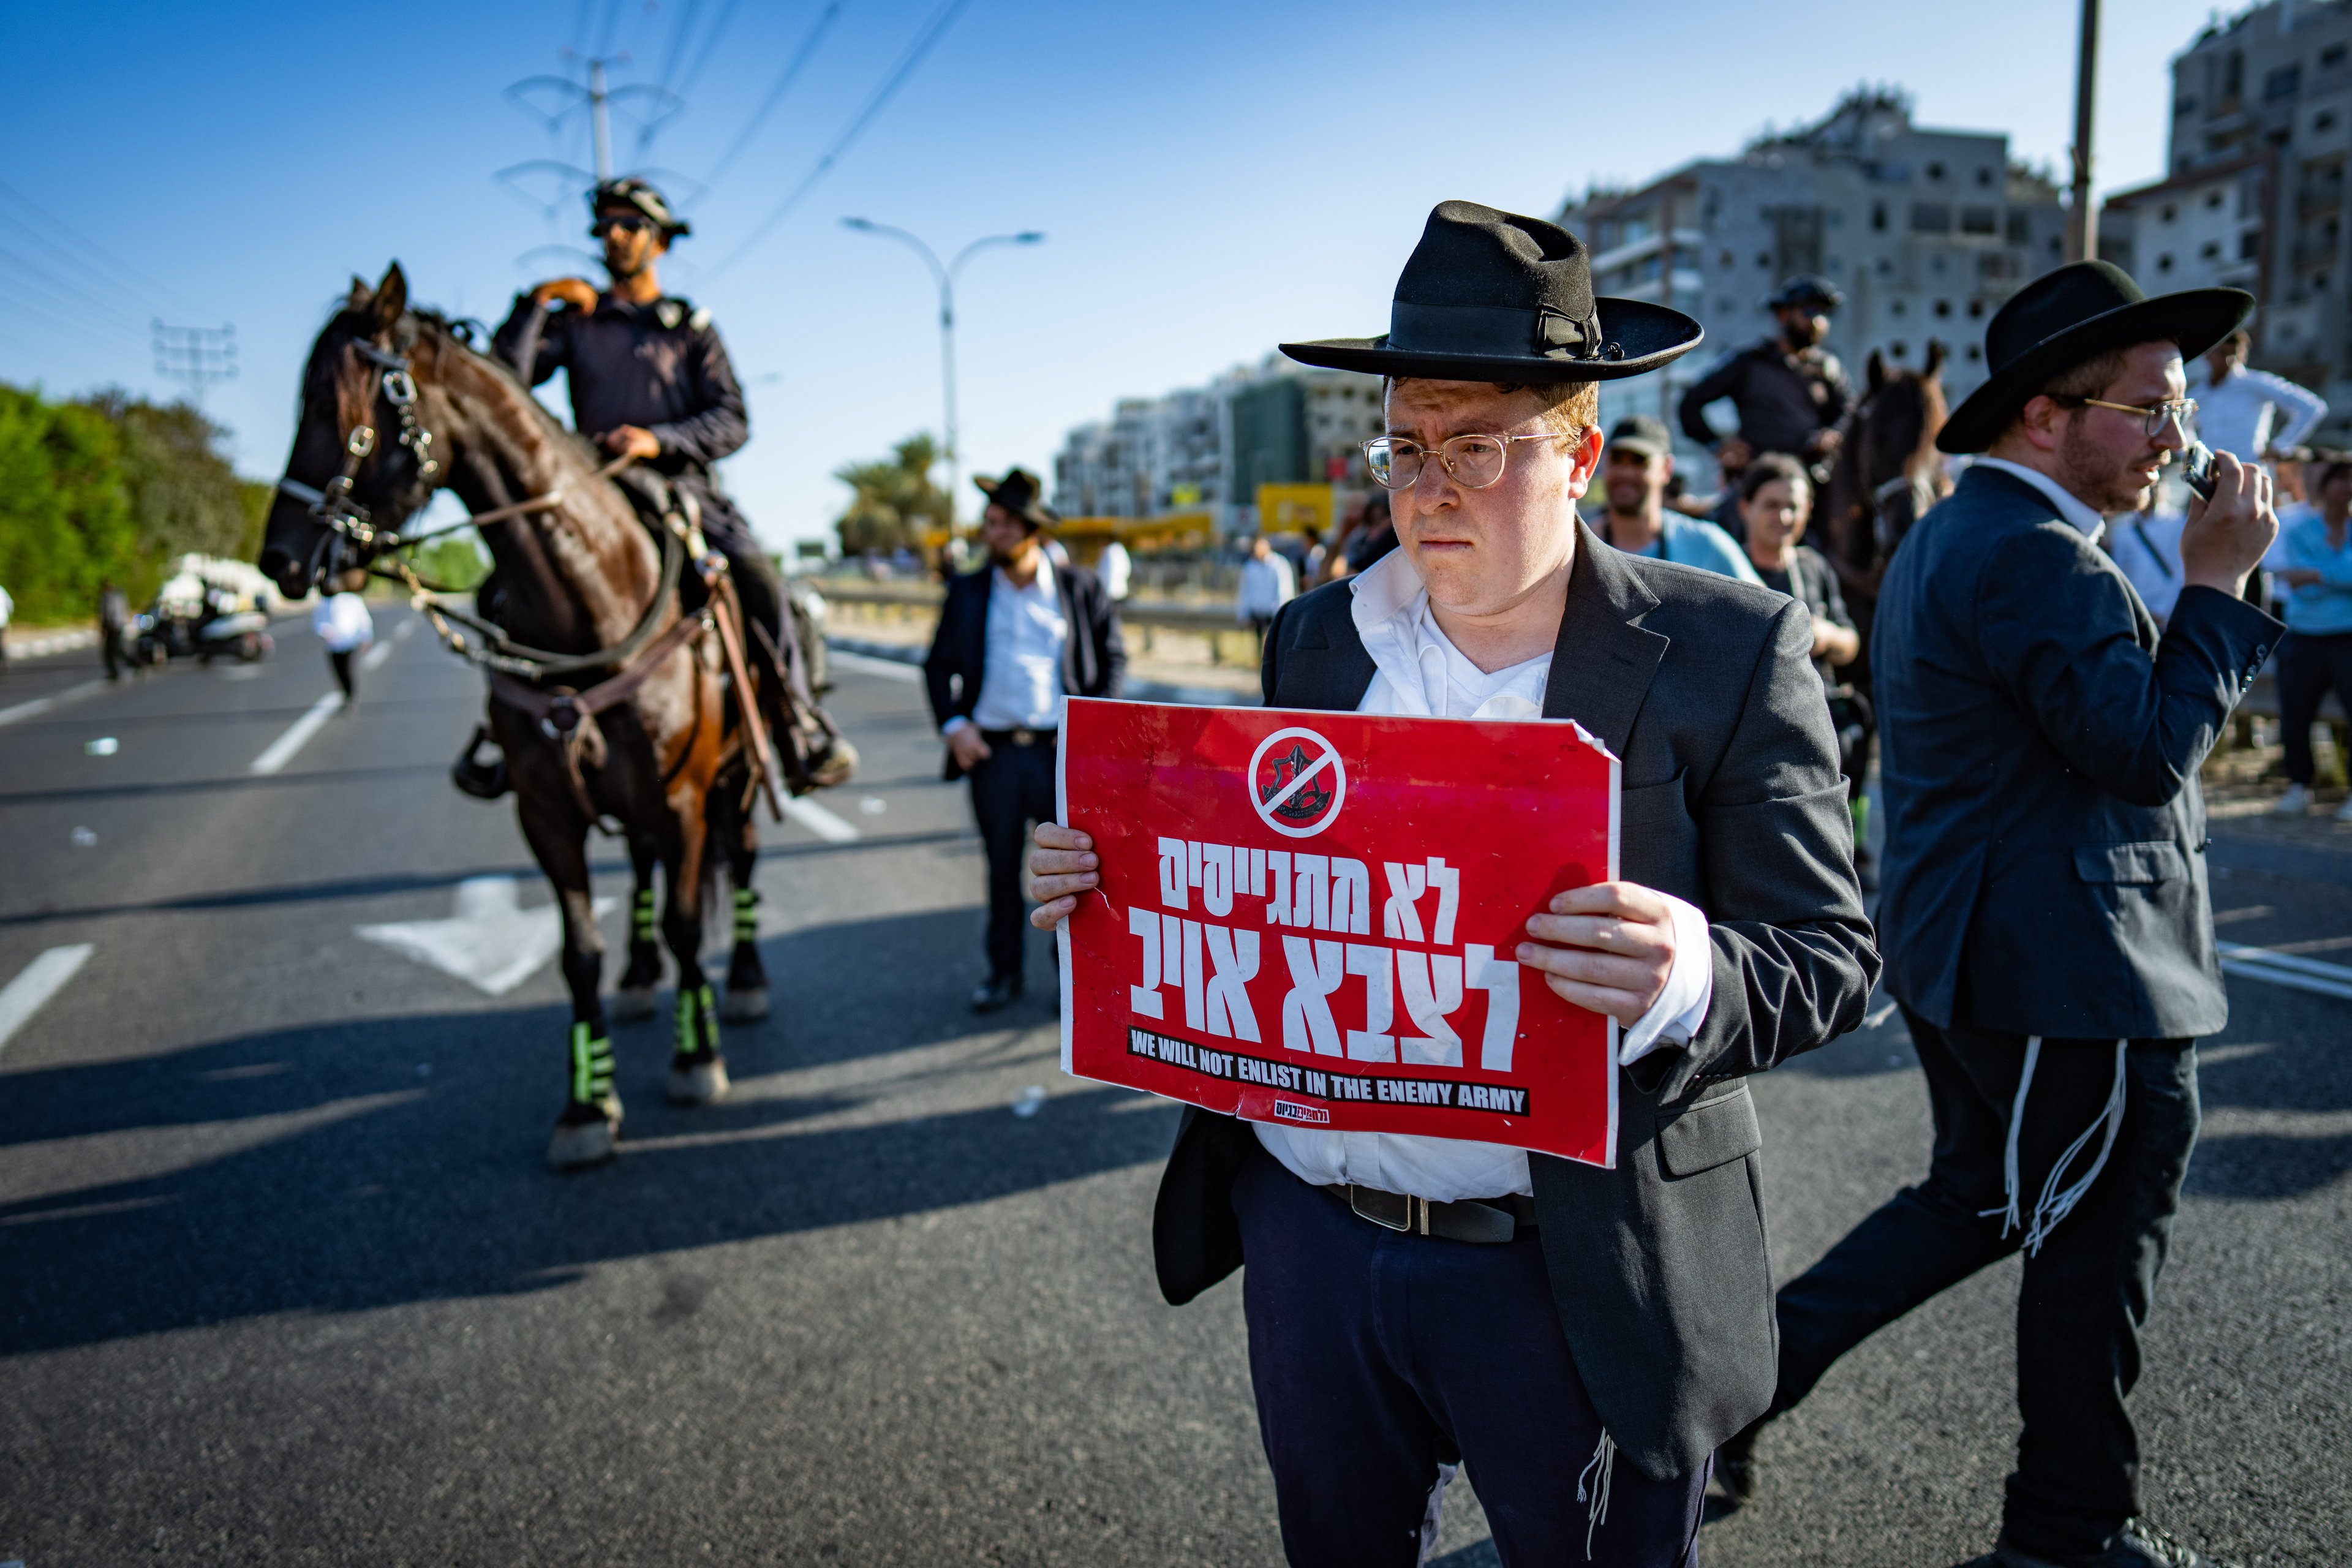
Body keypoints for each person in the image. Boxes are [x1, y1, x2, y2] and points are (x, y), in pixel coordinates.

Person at [1027, 201, 1876, 1567]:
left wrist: (1689, 971)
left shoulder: (1731, 646)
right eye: (1406, 445)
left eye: (1477, 446)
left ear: (1581, 452)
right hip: (1314, 1241)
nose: (1427, 487)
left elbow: (1832, 954)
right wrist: (1106, 879)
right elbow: (1258, 879)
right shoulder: (1314, 638)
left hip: (1576, 1256)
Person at [1727, 260, 2279, 1568]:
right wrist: (2214, 589)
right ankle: (2067, 1531)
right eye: (2150, 410)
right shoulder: (2035, 552)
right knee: (2095, 1242)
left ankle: (1731, 1389)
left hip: (1991, 957)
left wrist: (2215, 582)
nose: (2179, 441)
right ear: (2046, 415)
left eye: (2183, 409)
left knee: (1979, 1201)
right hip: (2069, 980)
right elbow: (2143, 751)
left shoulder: (1965, 532)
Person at [492, 176, 850, 790]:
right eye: (606, 227)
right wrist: (536, 303)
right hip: (594, 489)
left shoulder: (689, 326)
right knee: (505, 586)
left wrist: (658, 440)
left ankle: (800, 721)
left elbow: (733, 420)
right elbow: (507, 385)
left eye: (631, 226)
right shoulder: (576, 323)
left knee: (759, 579)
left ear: (658, 242)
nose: (616, 237)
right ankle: (502, 736)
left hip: (683, 492)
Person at [923, 469, 1123, 1014]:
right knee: (1000, 866)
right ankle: (1002, 973)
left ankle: (1075, 984)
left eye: (1006, 524)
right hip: (992, 754)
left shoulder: (1079, 587)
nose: (995, 533)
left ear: (1032, 530)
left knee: (1073, 875)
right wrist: (954, 727)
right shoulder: (966, 590)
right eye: (990, 523)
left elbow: (1112, 660)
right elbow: (938, 666)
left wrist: (1092, 729)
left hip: (1061, 754)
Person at [1678, 273, 1852, 488]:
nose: (1818, 322)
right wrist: (1719, 446)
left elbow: (1848, 413)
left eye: (1824, 314)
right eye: (1809, 311)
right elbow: (1691, 404)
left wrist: (1832, 434)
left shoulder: (1828, 368)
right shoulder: (1750, 363)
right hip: (1755, 480)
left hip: (1813, 481)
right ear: (1783, 314)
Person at [2272, 450, 2352, 820]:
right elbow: (2294, 579)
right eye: (2341, 477)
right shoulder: (2301, 530)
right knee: (2295, 714)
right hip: (2304, 635)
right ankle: (2298, 785)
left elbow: (2308, 578)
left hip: (2347, 636)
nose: (2346, 487)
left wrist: (2319, 576)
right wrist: (2338, 577)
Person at [1596, 413, 1763, 582]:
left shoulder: (1704, 545)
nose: (1626, 473)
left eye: (1639, 461)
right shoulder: (1579, 546)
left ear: (1666, 469)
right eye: (1617, 460)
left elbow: (1765, 603)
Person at [2192, 328, 2327, 470]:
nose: (2228, 360)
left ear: (2242, 355)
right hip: (2210, 474)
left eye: (2234, 354)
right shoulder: (2198, 393)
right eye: (2222, 353)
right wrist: (2191, 456)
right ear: (2207, 354)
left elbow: (2312, 407)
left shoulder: (2257, 383)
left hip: (2250, 472)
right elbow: (2183, 426)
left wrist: (2280, 446)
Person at [2105, 485, 2190, 628]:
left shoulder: (2179, 523)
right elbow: (2121, 574)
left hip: (2171, 611)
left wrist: (2162, 610)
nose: (2152, 491)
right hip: (2136, 612)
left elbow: (2183, 570)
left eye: (2157, 486)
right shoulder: (2123, 530)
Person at [313, 589, 374, 705]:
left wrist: (366, 637)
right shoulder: (325, 601)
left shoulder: (353, 599)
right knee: (338, 671)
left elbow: (364, 620)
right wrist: (324, 631)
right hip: (333, 645)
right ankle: (345, 692)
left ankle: (351, 695)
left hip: (350, 642)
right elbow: (318, 621)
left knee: (348, 670)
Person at [1235, 532, 1295, 637]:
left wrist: (1280, 616)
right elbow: (1245, 591)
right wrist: (1244, 615)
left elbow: (1284, 591)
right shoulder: (1250, 567)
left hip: (1273, 615)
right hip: (1257, 615)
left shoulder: (1279, 564)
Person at [98, 578, 128, 681]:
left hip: (114, 627)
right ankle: (114, 672)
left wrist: (111, 626)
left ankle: (135, 663)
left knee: (114, 650)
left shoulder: (112, 597)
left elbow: (111, 614)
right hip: (113, 627)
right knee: (112, 651)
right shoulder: (109, 597)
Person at [1097, 536, 1133, 601]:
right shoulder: (1118, 549)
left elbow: (1108, 573)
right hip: (1119, 591)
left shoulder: (1111, 551)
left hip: (1111, 593)